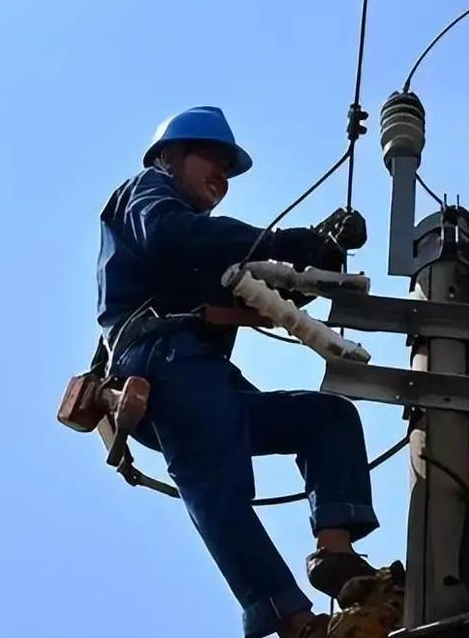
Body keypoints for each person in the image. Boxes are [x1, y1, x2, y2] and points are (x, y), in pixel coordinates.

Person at [96, 106, 385, 638]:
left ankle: (335, 555)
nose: (221, 177)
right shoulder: (148, 193)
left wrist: (314, 260)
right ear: (170, 156)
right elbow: (171, 236)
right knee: (218, 488)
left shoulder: (197, 248)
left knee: (327, 419)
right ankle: (295, 623)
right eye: (212, 159)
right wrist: (282, 243)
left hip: (202, 374)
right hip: (164, 364)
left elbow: (246, 287)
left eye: (228, 170)